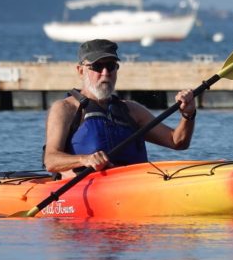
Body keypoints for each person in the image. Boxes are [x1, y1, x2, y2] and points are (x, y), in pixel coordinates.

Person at [43, 39, 197, 173]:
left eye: (110, 66)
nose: (105, 73)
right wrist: (85, 160)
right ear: (80, 70)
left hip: (134, 186)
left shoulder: (132, 110)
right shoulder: (64, 109)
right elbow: (50, 160)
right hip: (87, 189)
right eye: (97, 67)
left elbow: (177, 142)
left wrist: (188, 115)